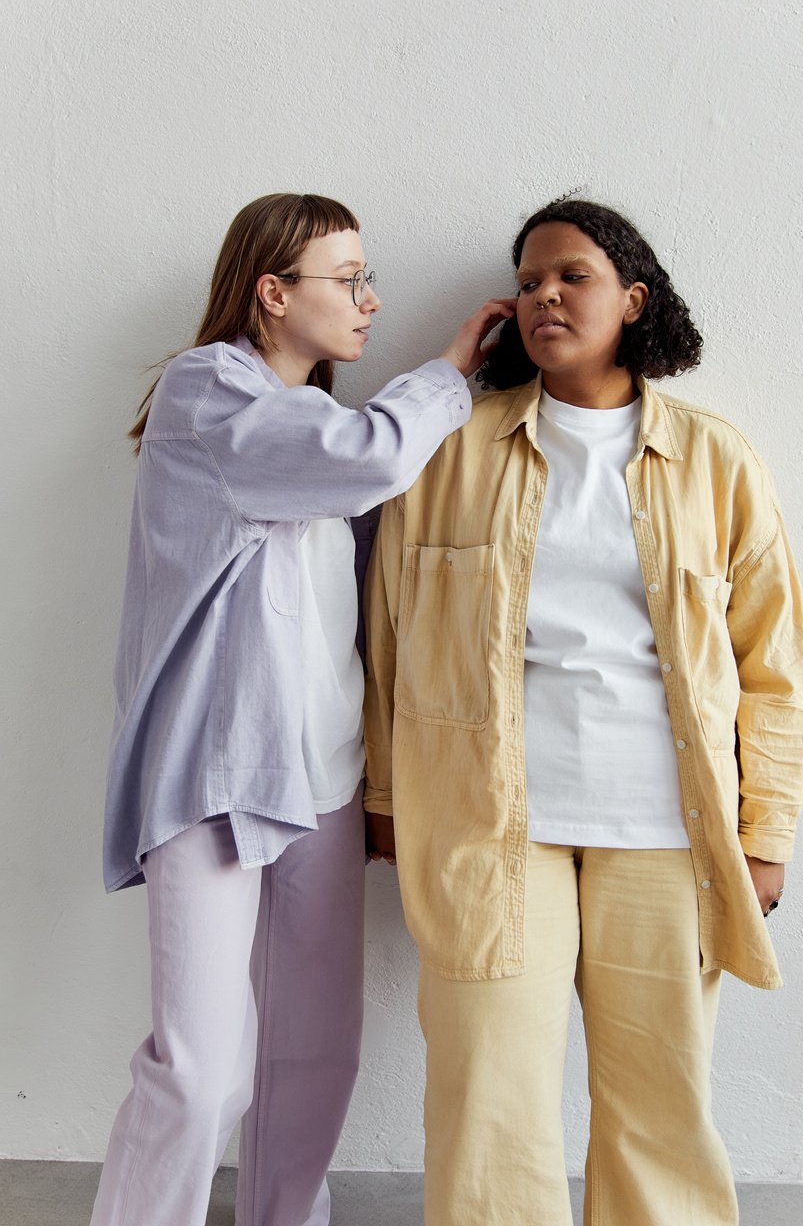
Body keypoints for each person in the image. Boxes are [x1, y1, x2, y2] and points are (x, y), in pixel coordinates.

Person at [364, 197, 803, 1226]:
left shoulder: (713, 458)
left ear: (633, 299)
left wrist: (766, 829)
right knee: (485, 1098)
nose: (543, 297)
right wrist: (383, 793)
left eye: (570, 276)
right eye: (525, 283)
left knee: (659, 1104)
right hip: (484, 824)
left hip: (667, 826)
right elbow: (387, 635)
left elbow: (773, 663)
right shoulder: (451, 453)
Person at [91, 191, 515, 1226]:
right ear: (273, 293)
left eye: (370, 279)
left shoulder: (313, 418)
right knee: (201, 1072)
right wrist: (450, 374)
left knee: (313, 1051)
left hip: (320, 775)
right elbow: (361, 460)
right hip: (214, 773)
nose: (369, 300)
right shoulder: (210, 394)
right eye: (348, 279)